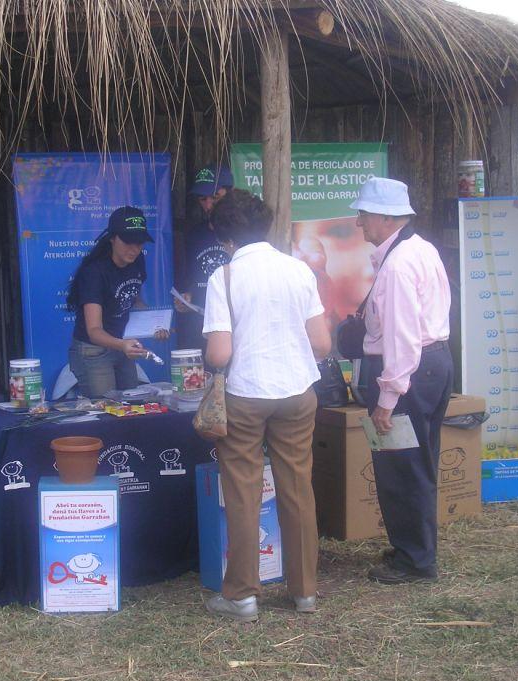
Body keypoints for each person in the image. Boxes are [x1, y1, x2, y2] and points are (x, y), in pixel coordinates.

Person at [201, 189, 331, 621]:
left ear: (224, 237)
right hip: (296, 391)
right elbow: (321, 344)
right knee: (298, 488)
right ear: (265, 226)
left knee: (243, 493)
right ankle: (305, 592)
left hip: (244, 393)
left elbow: (219, 353)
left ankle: (242, 596)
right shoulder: (299, 269)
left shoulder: (224, 278)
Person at [351, 177, 453, 584]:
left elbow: (402, 337)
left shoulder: (396, 265)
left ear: (385, 217)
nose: (359, 222)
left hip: (408, 370)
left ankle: (414, 560)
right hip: (433, 362)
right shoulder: (421, 249)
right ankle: (416, 548)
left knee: (401, 468)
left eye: (363, 214)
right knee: (419, 463)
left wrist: (387, 398)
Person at [66, 206, 169, 397]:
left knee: (131, 401)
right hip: (94, 350)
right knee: (106, 407)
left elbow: (134, 301)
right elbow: (94, 331)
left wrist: (155, 325)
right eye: (128, 241)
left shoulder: (137, 261)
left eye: (140, 243)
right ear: (112, 238)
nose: (135, 249)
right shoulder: (94, 272)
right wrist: (122, 345)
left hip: (122, 344)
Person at [174, 165, 233, 349]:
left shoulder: (243, 233)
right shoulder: (194, 235)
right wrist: (187, 296)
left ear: (230, 193)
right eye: (203, 199)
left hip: (235, 324)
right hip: (200, 324)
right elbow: (192, 277)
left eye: (215, 197)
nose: (208, 205)